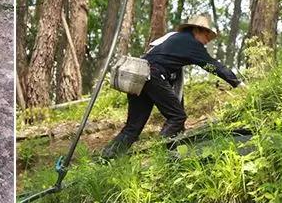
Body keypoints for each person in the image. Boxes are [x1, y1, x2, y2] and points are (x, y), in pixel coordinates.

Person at [101, 15, 244, 159]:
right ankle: (161, 155)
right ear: (196, 30)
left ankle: (107, 158)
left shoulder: (173, 38)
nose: (208, 40)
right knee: (177, 116)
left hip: (139, 75)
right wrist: (237, 82)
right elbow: (212, 65)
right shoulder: (192, 43)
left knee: (133, 127)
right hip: (153, 75)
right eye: (207, 34)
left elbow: (174, 84)